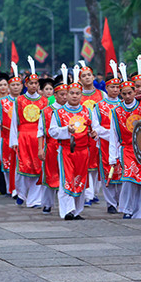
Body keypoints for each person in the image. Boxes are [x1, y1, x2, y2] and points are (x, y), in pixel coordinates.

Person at [47, 65, 100, 220]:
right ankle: (67, 211)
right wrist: (66, 130)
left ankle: (77, 210)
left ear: (81, 95)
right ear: (66, 95)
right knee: (66, 180)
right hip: (66, 150)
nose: (75, 96)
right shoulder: (59, 113)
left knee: (81, 179)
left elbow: (93, 127)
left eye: (78, 93)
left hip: (83, 151)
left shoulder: (87, 111)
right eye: (72, 93)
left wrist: (93, 133)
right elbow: (52, 131)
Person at [109, 61, 141, 219]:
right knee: (128, 180)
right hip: (126, 150)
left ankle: (140, 211)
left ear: (134, 92)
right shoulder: (117, 111)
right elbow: (114, 135)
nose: (127, 96)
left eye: (129, 93)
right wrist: (113, 156)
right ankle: (126, 209)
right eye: (123, 94)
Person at [9, 57, 49, 206]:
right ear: (26, 84)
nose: (33, 85)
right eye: (30, 83)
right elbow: (14, 122)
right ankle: (21, 192)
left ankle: (34, 199)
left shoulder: (44, 101)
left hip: (38, 138)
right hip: (23, 137)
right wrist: (14, 140)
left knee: (38, 168)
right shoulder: (19, 101)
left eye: (36, 83)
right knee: (23, 167)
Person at [38, 67, 68, 214]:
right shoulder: (46, 111)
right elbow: (41, 132)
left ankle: (67, 205)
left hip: (68, 148)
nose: (65, 97)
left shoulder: (72, 110)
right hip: (51, 147)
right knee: (50, 176)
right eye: (62, 94)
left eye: (67, 94)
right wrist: (40, 149)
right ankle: (47, 204)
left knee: (66, 175)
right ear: (55, 95)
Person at [95, 62, 123, 214]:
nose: (115, 90)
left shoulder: (123, 105)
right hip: (105, 145)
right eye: (112, 87)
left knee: (122, 173)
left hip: (122, 144)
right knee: (108, 173)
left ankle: (121, 201)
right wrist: (111, 135)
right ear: (106, 88)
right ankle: (111, 203)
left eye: (117, 87)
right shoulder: (99, 106)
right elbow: (96, 127)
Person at [0, 67, 22, 196]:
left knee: (21, 164)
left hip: (22, 137)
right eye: (13, 85)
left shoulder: (25, 101)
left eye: (17, 85)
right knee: (7, 164)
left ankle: (20, 189)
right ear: (9, 87)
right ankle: (11, 188)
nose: (15, 87)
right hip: (6, 136)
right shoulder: (2, 102)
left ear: (21, 87)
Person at [79, 61, 104, 205]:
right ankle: (87, 194)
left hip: (97, 134)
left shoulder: (102, 94)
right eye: (84, 76)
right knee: (86, 164)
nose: (87, 78)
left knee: (96, 164)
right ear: (80, 79)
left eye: (89, 75)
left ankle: (94, 192)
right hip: (81, 134)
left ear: (93, 77)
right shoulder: (76, 95)